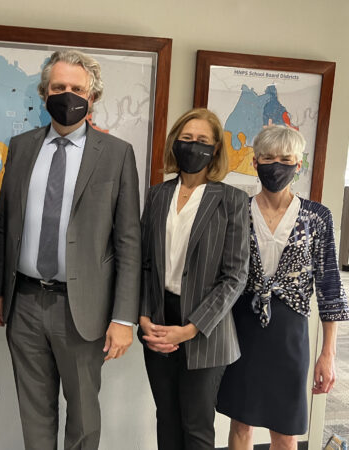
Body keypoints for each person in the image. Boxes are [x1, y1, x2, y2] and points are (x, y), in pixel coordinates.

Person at [0, 49, 141, 450]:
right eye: (59, 87)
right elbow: (5, 225)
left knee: (84, 414)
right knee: (34, 411)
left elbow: (128, 240)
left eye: (77, 89)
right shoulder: (20, 148)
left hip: (82, 308)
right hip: (23, 302)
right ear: (44, 93)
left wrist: (124, 318)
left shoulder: (117, 154)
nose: (67, 95)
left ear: (92, 98)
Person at [217, 125, 349, 449]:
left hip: (290, 332)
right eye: (268, 157)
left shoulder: (316, 217)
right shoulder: (238, 212)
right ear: (255, 161)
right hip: (242, 326)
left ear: (298, 163)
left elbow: (330, 287)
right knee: (241, 421)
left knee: (286, 428)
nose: (277, 164)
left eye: (285, 158)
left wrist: (327, 354)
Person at [138, 108, 249, 450]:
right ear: (175, 143)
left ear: (215, 149)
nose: (193, 146)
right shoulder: (157, 195)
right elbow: (143, 265)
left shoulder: (232, 200)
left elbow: (235, 276)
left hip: (206, 328)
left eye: (202, 141)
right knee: (166, 418)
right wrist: (143, 318)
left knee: (197, 426)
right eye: (186, 139)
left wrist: (191, 328)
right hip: (158, 321)